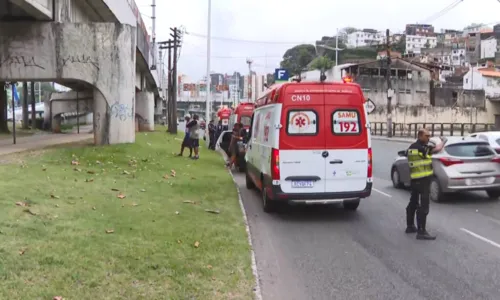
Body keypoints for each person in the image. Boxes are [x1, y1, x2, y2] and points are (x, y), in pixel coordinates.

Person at [406, 128, 447, 240]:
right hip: (423, 180)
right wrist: (443, 141)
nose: (428, 138)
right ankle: (421, 231)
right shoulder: (422, 148)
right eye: (426, 136)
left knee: (413, 202)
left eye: (429, 136)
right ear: (420, 136)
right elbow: (437, 149)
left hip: (414, 179)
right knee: (424, 206)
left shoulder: (411, 147)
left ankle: (410, 226)